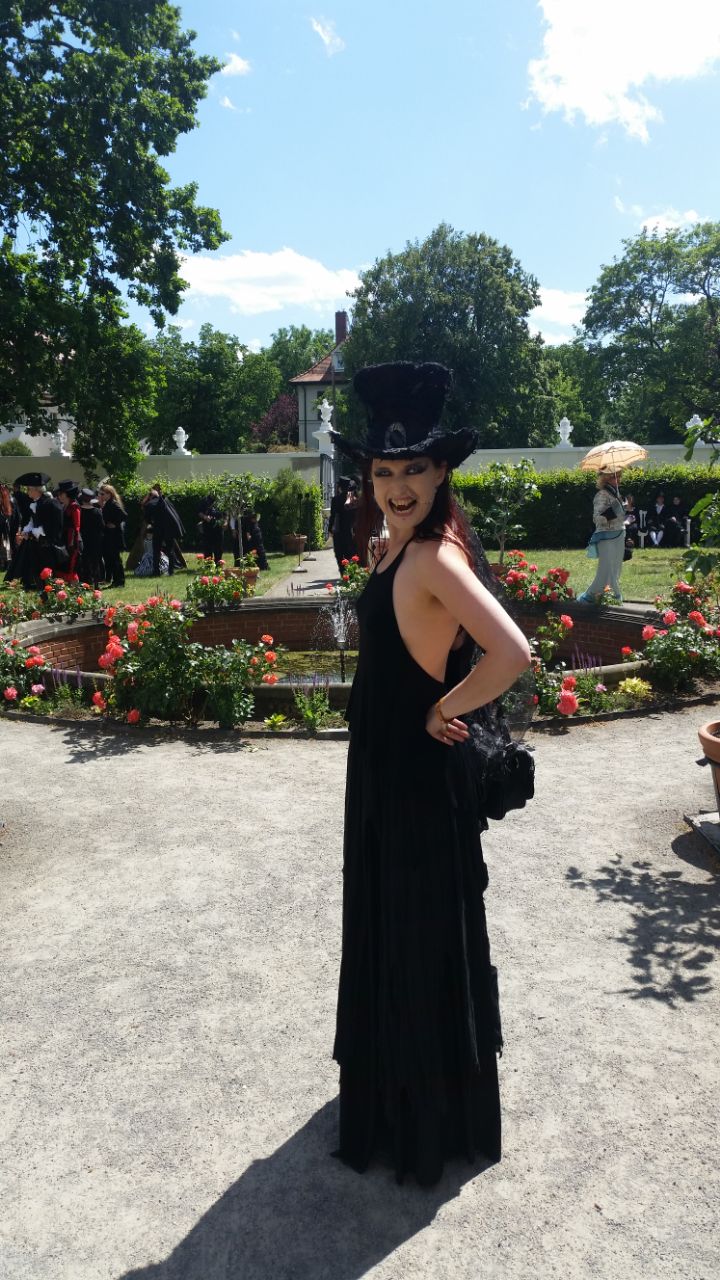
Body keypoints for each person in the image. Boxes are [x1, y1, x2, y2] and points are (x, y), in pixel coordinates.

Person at [328, 361, 532, 1186]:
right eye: (384, 471)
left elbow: (513, 653)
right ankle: (408, 1095)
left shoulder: (435, 558)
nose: (398, 486)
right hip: (387, 773)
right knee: (401, 930)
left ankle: (420, 1122)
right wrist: (389, 561)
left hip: (412, 779)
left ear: (442, 470)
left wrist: (442, 706)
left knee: (414, 936)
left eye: (414, 468)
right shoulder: (405, 548)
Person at [577, 467, 626, 604]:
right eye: (614, 476)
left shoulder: (616, 493)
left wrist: (623, 509)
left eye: (619, 476)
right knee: (607, 568)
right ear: (606, 478)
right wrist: (614, 511)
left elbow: (619, 515)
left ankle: (602, 594)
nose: (618, 479)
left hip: (619, 534)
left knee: (616, 568)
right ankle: (614, 596)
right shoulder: (601, 494)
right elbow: (597, 518)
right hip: (606, 536)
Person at [9, 473, 64, 588]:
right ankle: (42, 594)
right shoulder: (36, 503)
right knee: (37, 572)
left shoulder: (50, 503)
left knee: (48, 574)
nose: (27, 492)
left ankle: (51, 594)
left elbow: (51, 526)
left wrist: (31, 533)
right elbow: (33, 521)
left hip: (48, 546)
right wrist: (25, 531)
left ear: (36, 490)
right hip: (37, 545)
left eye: (29, 489)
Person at [143, 485, 184, 576]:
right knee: (170, 550)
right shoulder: (167, 502)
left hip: (158, 529)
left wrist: (152, 523)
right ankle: (171, 571)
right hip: (169, 529)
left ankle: (156, 571)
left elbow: (147, 518)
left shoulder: (150, 504)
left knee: (156, 551)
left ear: (150, 496)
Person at [97, 482, 127, 587]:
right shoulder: (108, 503)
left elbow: (123, 515)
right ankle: (115, 581)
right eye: (100, 494)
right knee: (111, 559)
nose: (101, 496)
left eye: (102, 494)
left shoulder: (113, 503)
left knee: (115, 560)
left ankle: (119, 581)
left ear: (109, 494)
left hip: (114, 536)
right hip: (109, 536)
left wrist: (115, 523)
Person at [328, 477, 358, 571]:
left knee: (339, 555)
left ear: (339, 487)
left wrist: (330, 529)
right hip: (351, 532)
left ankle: (343, 573)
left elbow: (333, 516)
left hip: (339, 531)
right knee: (351, 554)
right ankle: (351, 574)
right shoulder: (354, 499)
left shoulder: (336, 499)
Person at [55, 480, 82, 581]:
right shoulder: (63, 506)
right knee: (63, 567)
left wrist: (71, 543)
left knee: (71, 568)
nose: (59, 496)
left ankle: (76, 589)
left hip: (72, 542)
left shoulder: (74, 507)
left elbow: (76, 527)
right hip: (64, 540)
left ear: (67, 494)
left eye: (61, 493)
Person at [78, 489, 105, 587]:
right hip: (95, 540)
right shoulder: (97, 511)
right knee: (95, 561)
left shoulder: (79, 511)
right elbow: (102, 526)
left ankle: (86, 582)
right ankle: (96, 582)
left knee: (84, 561)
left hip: (83, 539)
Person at [197, 492, 224, 564]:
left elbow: (225, 513)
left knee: (219, 548)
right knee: (207, 547)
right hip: (207, 527)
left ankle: (218, 565)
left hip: (219, 527)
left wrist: (225, 522)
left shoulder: (221, 499)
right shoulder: (204, 500)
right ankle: (209, 566)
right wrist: (205, 517)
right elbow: (199, 512)